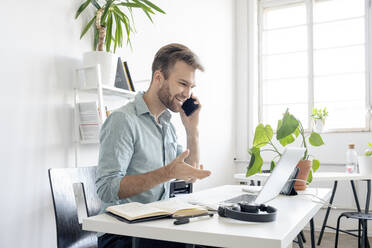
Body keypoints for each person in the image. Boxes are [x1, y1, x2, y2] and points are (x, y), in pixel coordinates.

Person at [96, 43, 212, 248]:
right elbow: (106, 189)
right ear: (159, 78)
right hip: (121, 235)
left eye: (191, 87)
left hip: (156, 229)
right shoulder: (123, 120)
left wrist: (192, 130)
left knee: (209, 240)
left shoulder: (166, 124)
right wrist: (167, 173)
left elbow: (191, 173)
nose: (187, 93)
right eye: (182, 83)